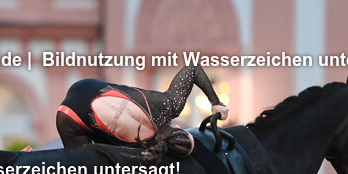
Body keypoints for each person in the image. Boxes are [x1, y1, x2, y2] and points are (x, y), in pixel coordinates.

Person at [56, 66, 228, 160]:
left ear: (176, 127)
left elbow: (193, 69)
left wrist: (216, 103)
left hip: (86, 87)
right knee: (85, 167)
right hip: (68, 116)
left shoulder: (166, 107)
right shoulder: (142, 151)